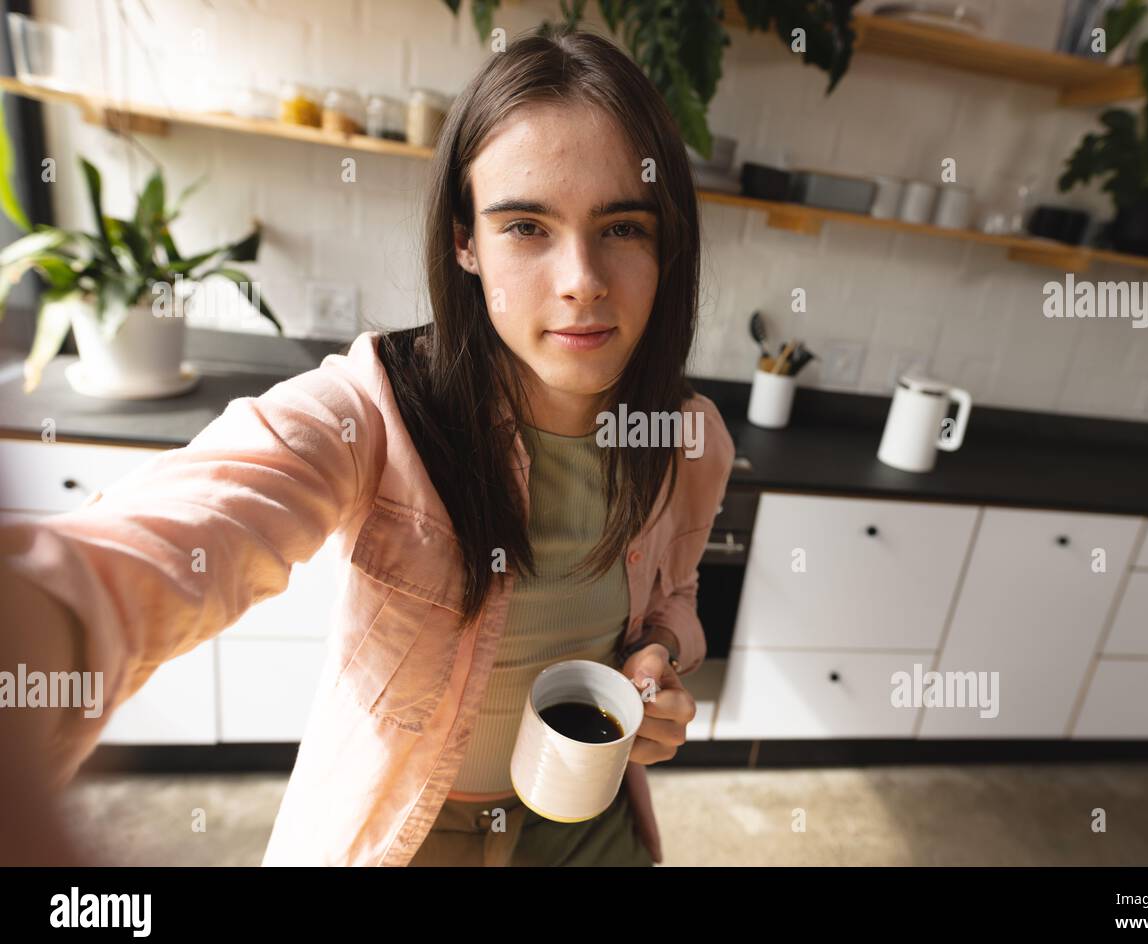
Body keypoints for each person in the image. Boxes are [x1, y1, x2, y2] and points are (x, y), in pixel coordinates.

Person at [0, 23, 734, 866]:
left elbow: (676, 594)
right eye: (526, 226)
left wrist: (659, 654)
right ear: (465, 241)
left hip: (592, 825)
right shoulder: (377, 413)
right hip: (410, 830)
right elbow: (168, 539)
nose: (582, 280)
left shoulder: (687, 440)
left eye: (624, 228)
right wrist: (45, 625)